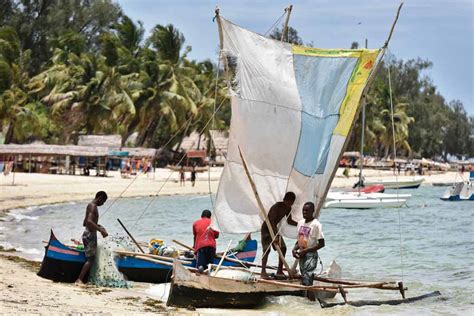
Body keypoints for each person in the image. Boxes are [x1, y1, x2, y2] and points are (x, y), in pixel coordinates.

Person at [292, 202, 325, 301]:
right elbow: (300, 239)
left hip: (311, 255)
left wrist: (307, 250)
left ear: (312, 211)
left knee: (308, 280)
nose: (304, 212)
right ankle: (308, 303)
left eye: (307, 210)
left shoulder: (316, 225)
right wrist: (294, 249)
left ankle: (312, 303)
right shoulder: (300, 223)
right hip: (302, 255)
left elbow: (322, 243)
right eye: (303, 210)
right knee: (305, 280)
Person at [261, 192, 297, 279]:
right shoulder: (277, 206)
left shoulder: (288, 208)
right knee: (267, 250)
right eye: (287, 202)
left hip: (274, 230)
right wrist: (275, 236)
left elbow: (289, 221)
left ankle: (279, 271)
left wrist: (300, 224)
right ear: (284, 200)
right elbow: (272, 221)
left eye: (291, 203)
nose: (289, 204)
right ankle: (263, 272)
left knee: (283, 248)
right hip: (267, 229)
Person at [75, 191, 109, 284]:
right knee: (91, 259)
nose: (103, 204)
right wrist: (100, 230)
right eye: (103, 201)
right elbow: (89, 222)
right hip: (90, 235)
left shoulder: (90, 206)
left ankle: (86, 278)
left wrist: (99, 226)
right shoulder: (93, 206)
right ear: (100, 198)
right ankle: (79, 279)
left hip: (88, 234)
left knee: (90, 258)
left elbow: (85, 222)